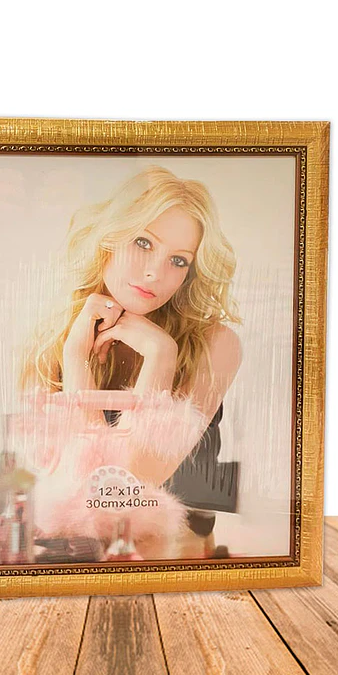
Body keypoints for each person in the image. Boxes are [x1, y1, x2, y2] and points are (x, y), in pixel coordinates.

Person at [20, 165, 242, 554]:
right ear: (108, 240)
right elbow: (78, 483)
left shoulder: (216, 344)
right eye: (143, 242)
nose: (155, 272)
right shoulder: (51, 342)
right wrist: (76, 359)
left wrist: (161, 356)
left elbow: (129, 486)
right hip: (78, 553)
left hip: (175, 559)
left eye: (179, 260)